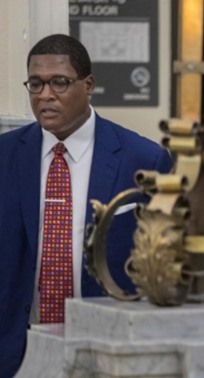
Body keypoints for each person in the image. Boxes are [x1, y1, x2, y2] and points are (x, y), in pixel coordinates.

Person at [0, 34, 172, 376]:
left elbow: (164, 265)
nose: (45, 95)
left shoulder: (144, 160)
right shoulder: (5, 156)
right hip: (17, 352)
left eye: (59, 83)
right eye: (35, 84)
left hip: (109, 350)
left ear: (88, 84)